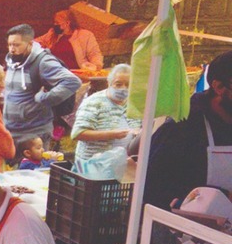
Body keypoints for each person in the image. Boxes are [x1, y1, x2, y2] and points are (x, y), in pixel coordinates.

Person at [145, 50, 232, 210]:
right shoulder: (180, 129)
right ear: (219, 87)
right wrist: (220, 196)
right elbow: (155, 191)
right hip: (186, 223)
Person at [3, 24, 81, 145]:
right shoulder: (12, 62)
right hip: (11, 131)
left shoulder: (43, 61)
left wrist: (45, 98)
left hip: (34, 134)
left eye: (16, 45)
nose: (12, 49)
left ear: (30, 43)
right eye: (9, 44)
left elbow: (72, 81)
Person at [71, 64, 135, 162]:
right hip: (92, 164)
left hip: (121, 163)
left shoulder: (133, 104)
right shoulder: (94, 102)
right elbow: (77, 133)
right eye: (118, 84)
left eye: (128, 85)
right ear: (109, 83)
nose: (123, 88)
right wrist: (111, 134)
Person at [36, 10, 103, 72]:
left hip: (75, 73)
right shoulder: (52, 33)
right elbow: (36, 42)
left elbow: (94, 53)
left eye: (57, 22)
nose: (55, 24)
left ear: (67, 23)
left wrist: (96, 66)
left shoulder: (85, 35)